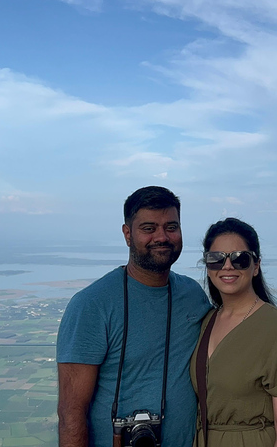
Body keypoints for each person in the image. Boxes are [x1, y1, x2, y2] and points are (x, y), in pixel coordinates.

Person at [57, 186, 212, 447]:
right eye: (149, 228)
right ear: (127, 234)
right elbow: (71, 413)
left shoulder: (193, 295)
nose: (161, 237)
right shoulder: (91, 304)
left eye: (171, 227)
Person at [190, 218, 277, 447]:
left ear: (256, 266)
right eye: (216, 259)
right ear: (207, 266)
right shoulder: (207, 321)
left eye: (239, 259)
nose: (227, 266)